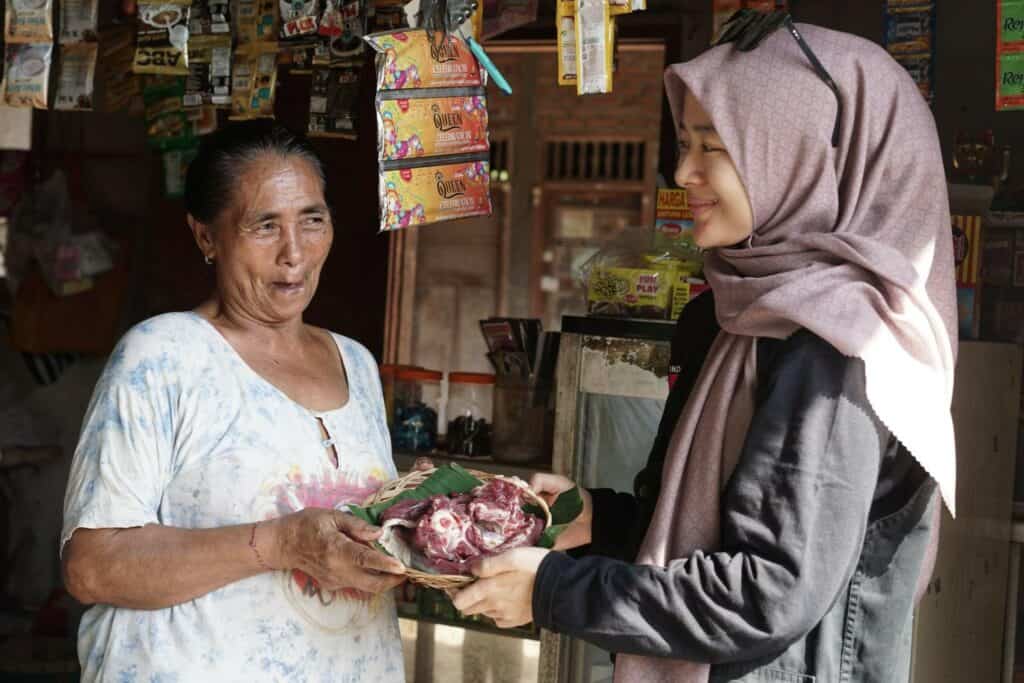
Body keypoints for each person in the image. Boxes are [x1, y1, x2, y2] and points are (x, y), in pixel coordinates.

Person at [453, 17, 957, 683]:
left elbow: (766, 591)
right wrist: (597, 518)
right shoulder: (736, 317)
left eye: (713, 146)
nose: (683, 170)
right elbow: (706, 530)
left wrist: (551, 590)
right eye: (686, 142)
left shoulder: (838, 347)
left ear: (802, 155)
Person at [60, 121, 408, 682]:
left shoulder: (357, 364)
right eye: (264, 225)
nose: (294, 253)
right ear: (206, 237)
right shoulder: (164, 356)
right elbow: (93, 568)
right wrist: (280, 543)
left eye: (312, 220)